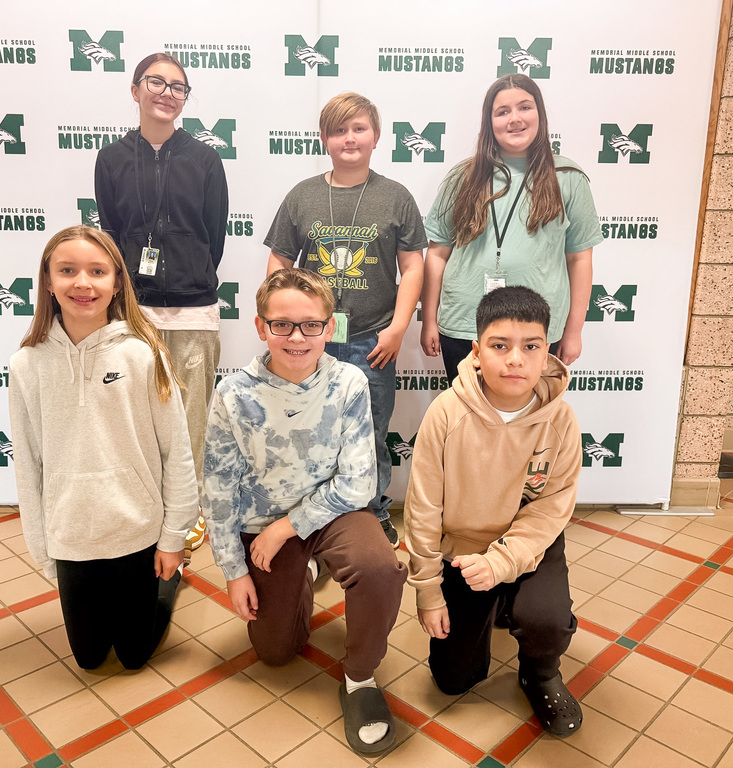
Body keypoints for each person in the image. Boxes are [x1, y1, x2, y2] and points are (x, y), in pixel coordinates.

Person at [203, 268, 408, 755]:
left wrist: (288, 529)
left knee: (380, 567)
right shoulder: (234, 393)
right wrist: (234, 571)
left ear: (330, 327)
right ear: (260, 328)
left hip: (333, 516)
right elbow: (218, 486)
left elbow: (359, 481)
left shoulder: (350, 383)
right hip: (262, 521)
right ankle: (303, 569)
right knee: (275, 653)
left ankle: (359, 679)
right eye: (282, 325)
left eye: (311, 324)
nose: (297, 337)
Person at [8, 225, 199, 671]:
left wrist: (173, 539)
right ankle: (150, 585)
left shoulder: (144, 354)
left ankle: (168, 579)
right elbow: (28, 464)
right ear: (48, 282)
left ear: (116, 283)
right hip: (72, 536)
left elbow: (177, 451)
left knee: (133, 657)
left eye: (97, 271)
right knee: (89, 659)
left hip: (137, 530)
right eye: (67, 270)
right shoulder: (26, 365)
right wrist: (42, 547)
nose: (82, 283)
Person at [404, 286, 583, 737]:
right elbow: (423, 508)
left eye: (531, 346)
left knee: (546, 619)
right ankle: (491, 606)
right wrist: (428, 589)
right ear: (477, 351)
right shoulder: (445, 414)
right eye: (500, 346)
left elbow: (550, 510)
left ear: (547, 354)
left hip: (526, 546)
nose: (515, 359)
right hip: (461, 553)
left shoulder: (561, 421)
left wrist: (502, 562)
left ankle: (540, 672)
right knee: (453, 680)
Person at [264, 92, 426, 548]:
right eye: (339, 130)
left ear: (376, 136)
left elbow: (413, 267)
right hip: (310, 340)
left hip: (373, 338)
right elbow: (279, 260)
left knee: (371, 432)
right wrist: (282, 323)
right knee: (307, 430)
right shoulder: (303, 196)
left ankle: (373, 516)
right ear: (324, 139)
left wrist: (398, 328)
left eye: (359, 128)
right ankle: (307, 520)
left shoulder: (396, 197)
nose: (349, 138)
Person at [95, 52, 228, 554]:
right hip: (134, 311)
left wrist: (190, 268)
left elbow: (213, 235)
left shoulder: (205, 159)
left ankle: (188, 518)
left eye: (178, 87)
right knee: (138, 419)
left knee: (192, 420)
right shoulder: (110, 159)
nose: (167, 93)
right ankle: (145, 512)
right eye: (157, 82)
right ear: (135, 90)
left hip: (194, 309)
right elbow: (112, 229)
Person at [422, 74, 603, 378]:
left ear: (540, 115)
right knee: (468, 419)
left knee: (527, 422)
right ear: (489, 122)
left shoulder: (568, 177)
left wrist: (574, 331)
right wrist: (428, 320)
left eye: (524, 107)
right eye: (502, 111)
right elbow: (437, 254)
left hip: (537, 329)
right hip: (466, 324)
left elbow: (580, 258)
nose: (515, 119)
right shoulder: (462, 177)